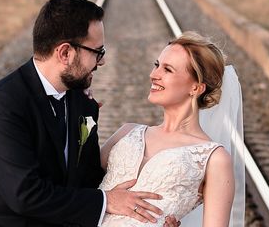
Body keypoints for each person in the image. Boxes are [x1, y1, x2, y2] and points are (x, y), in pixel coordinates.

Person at [0, 0, 180, 227]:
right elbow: (25, 194)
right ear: (65, 53)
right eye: (98, 52)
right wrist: (106, 201)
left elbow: (86, 178)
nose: (102, 62)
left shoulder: (82, 102)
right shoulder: (3, 104)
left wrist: (150, 215)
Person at [98, 32, 245, 226]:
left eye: (167, 70)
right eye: (156, 65)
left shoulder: (213, 158)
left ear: (196, 88)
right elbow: (76, 188)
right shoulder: (127, 132)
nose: (154, 75)